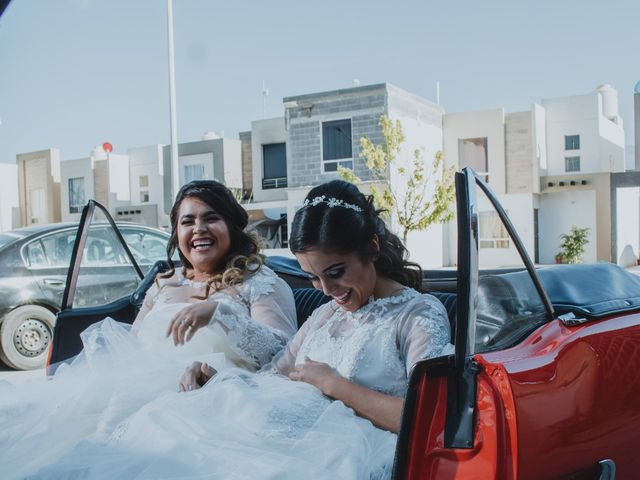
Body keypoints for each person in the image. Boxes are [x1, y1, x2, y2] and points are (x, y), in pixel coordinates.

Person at [29, 180, 452, 480]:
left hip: (350, 451)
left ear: (371, 249)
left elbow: (430, 419)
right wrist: (221, 377)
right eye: (314, 279)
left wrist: (333, 384)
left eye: (336, 273)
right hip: (292, 432)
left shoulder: (417, 315)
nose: (328, 291)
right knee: (163, 432)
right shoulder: (326, 316)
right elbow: (273, 374)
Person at [0, 180, 297, 479]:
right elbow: (132, 346)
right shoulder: (166, 283)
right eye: (187, 221)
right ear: (176, 233)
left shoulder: (258, 282)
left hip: (210, 398)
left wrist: (222, 315)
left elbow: (282, 356)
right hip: (133, 391)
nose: (198, 229)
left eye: (211, 218)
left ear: (231, 226)